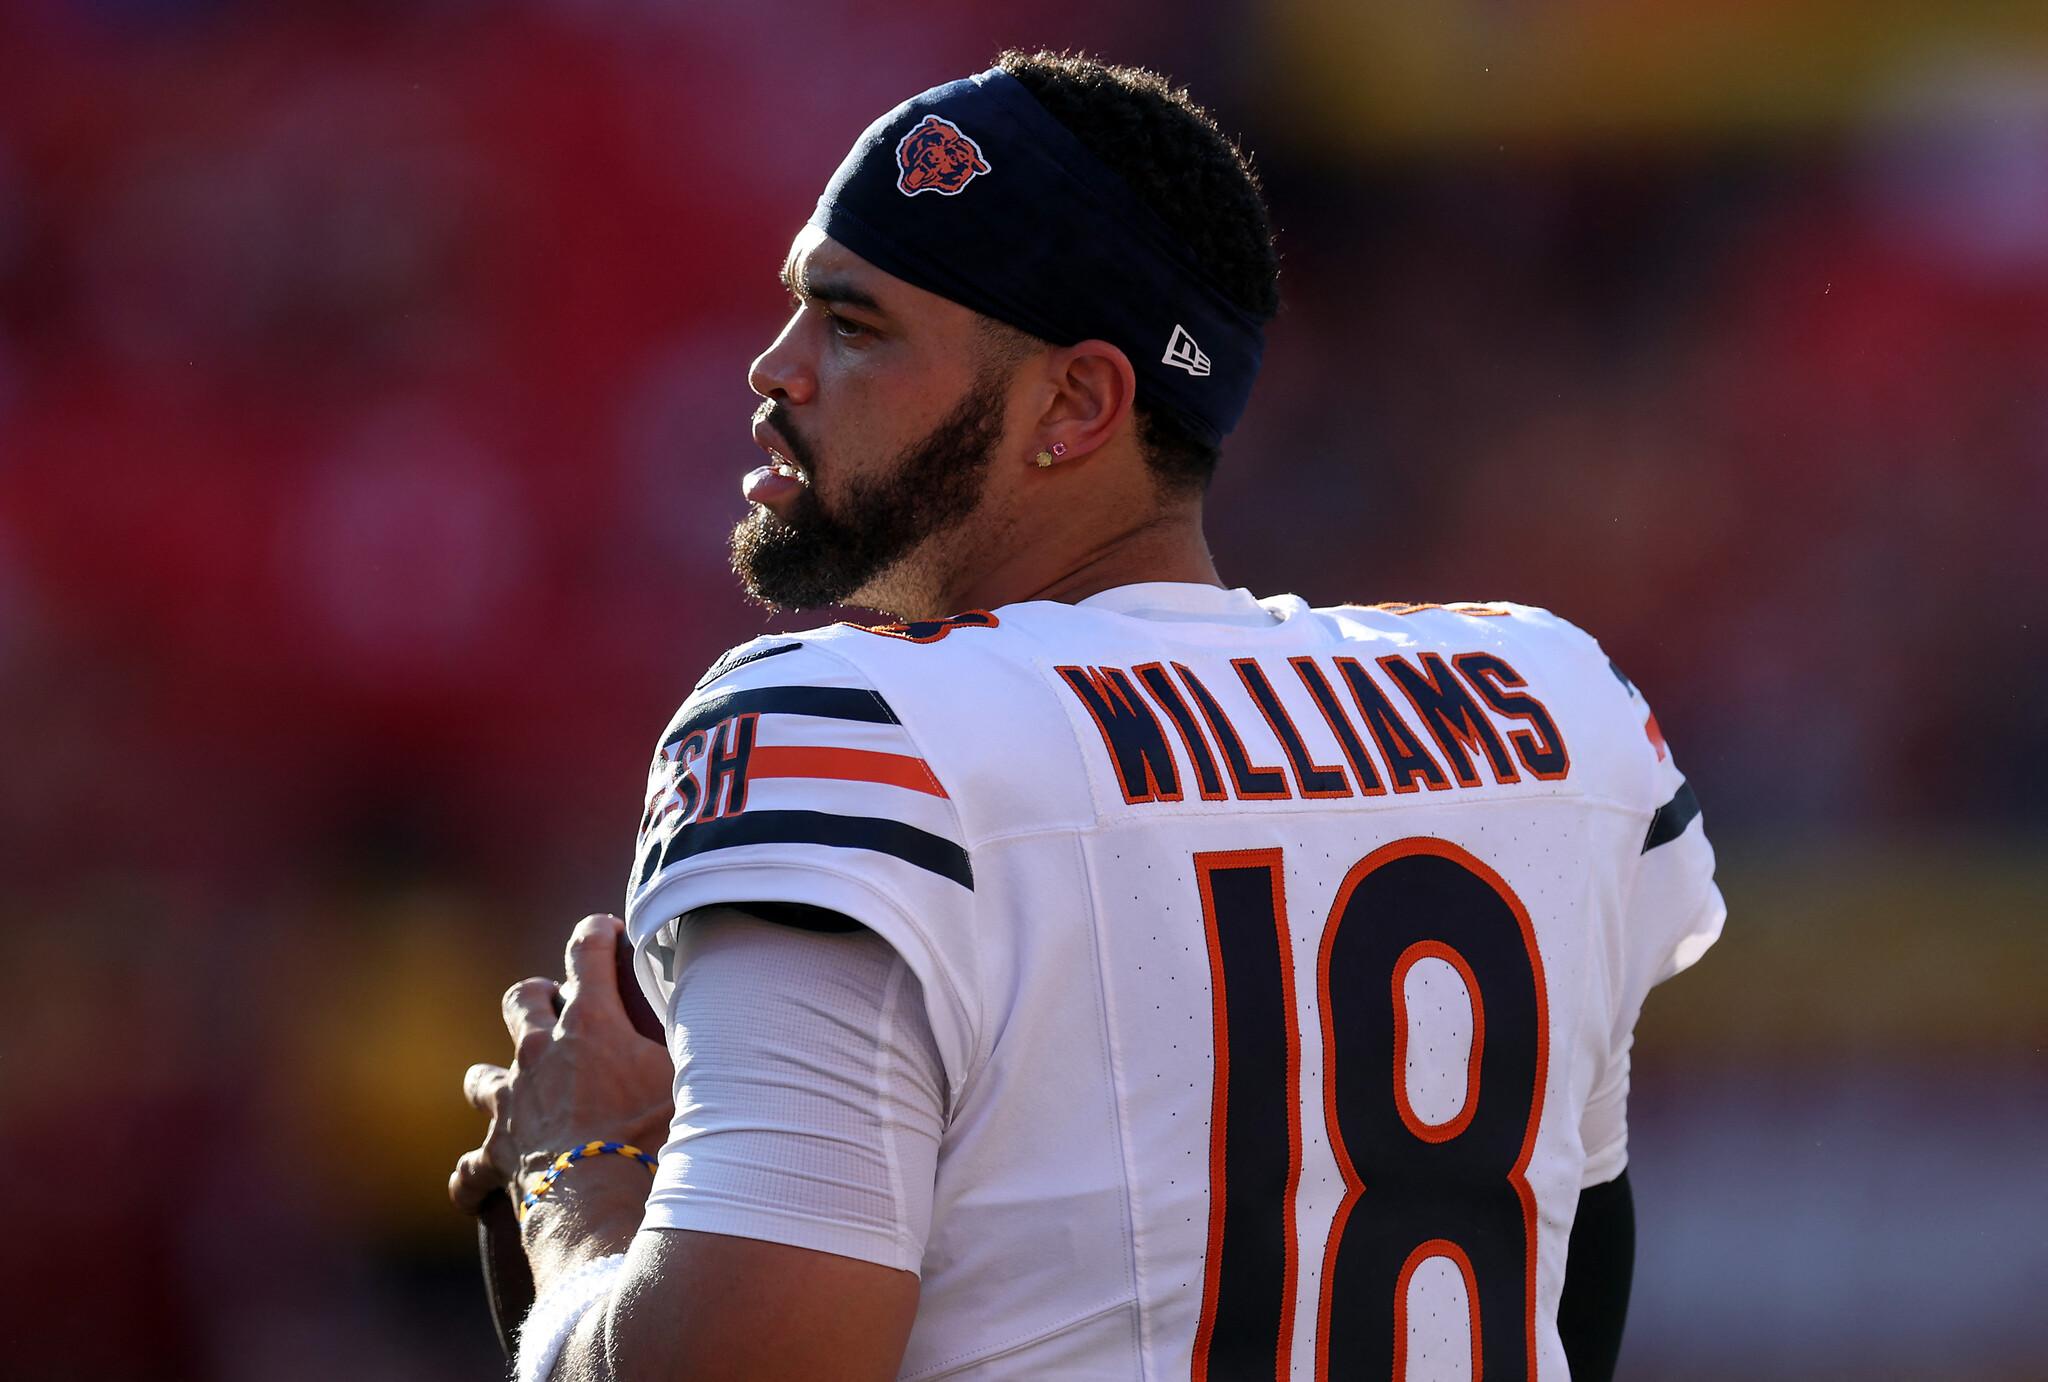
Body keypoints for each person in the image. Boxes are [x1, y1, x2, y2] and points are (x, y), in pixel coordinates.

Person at [450, 50, 1723, 1382]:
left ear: (1078, 405)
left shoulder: (849, 729)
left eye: (855, 324)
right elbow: (1561, 1300)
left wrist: (579, 1188)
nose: (774, 370)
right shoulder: (1548, 702)